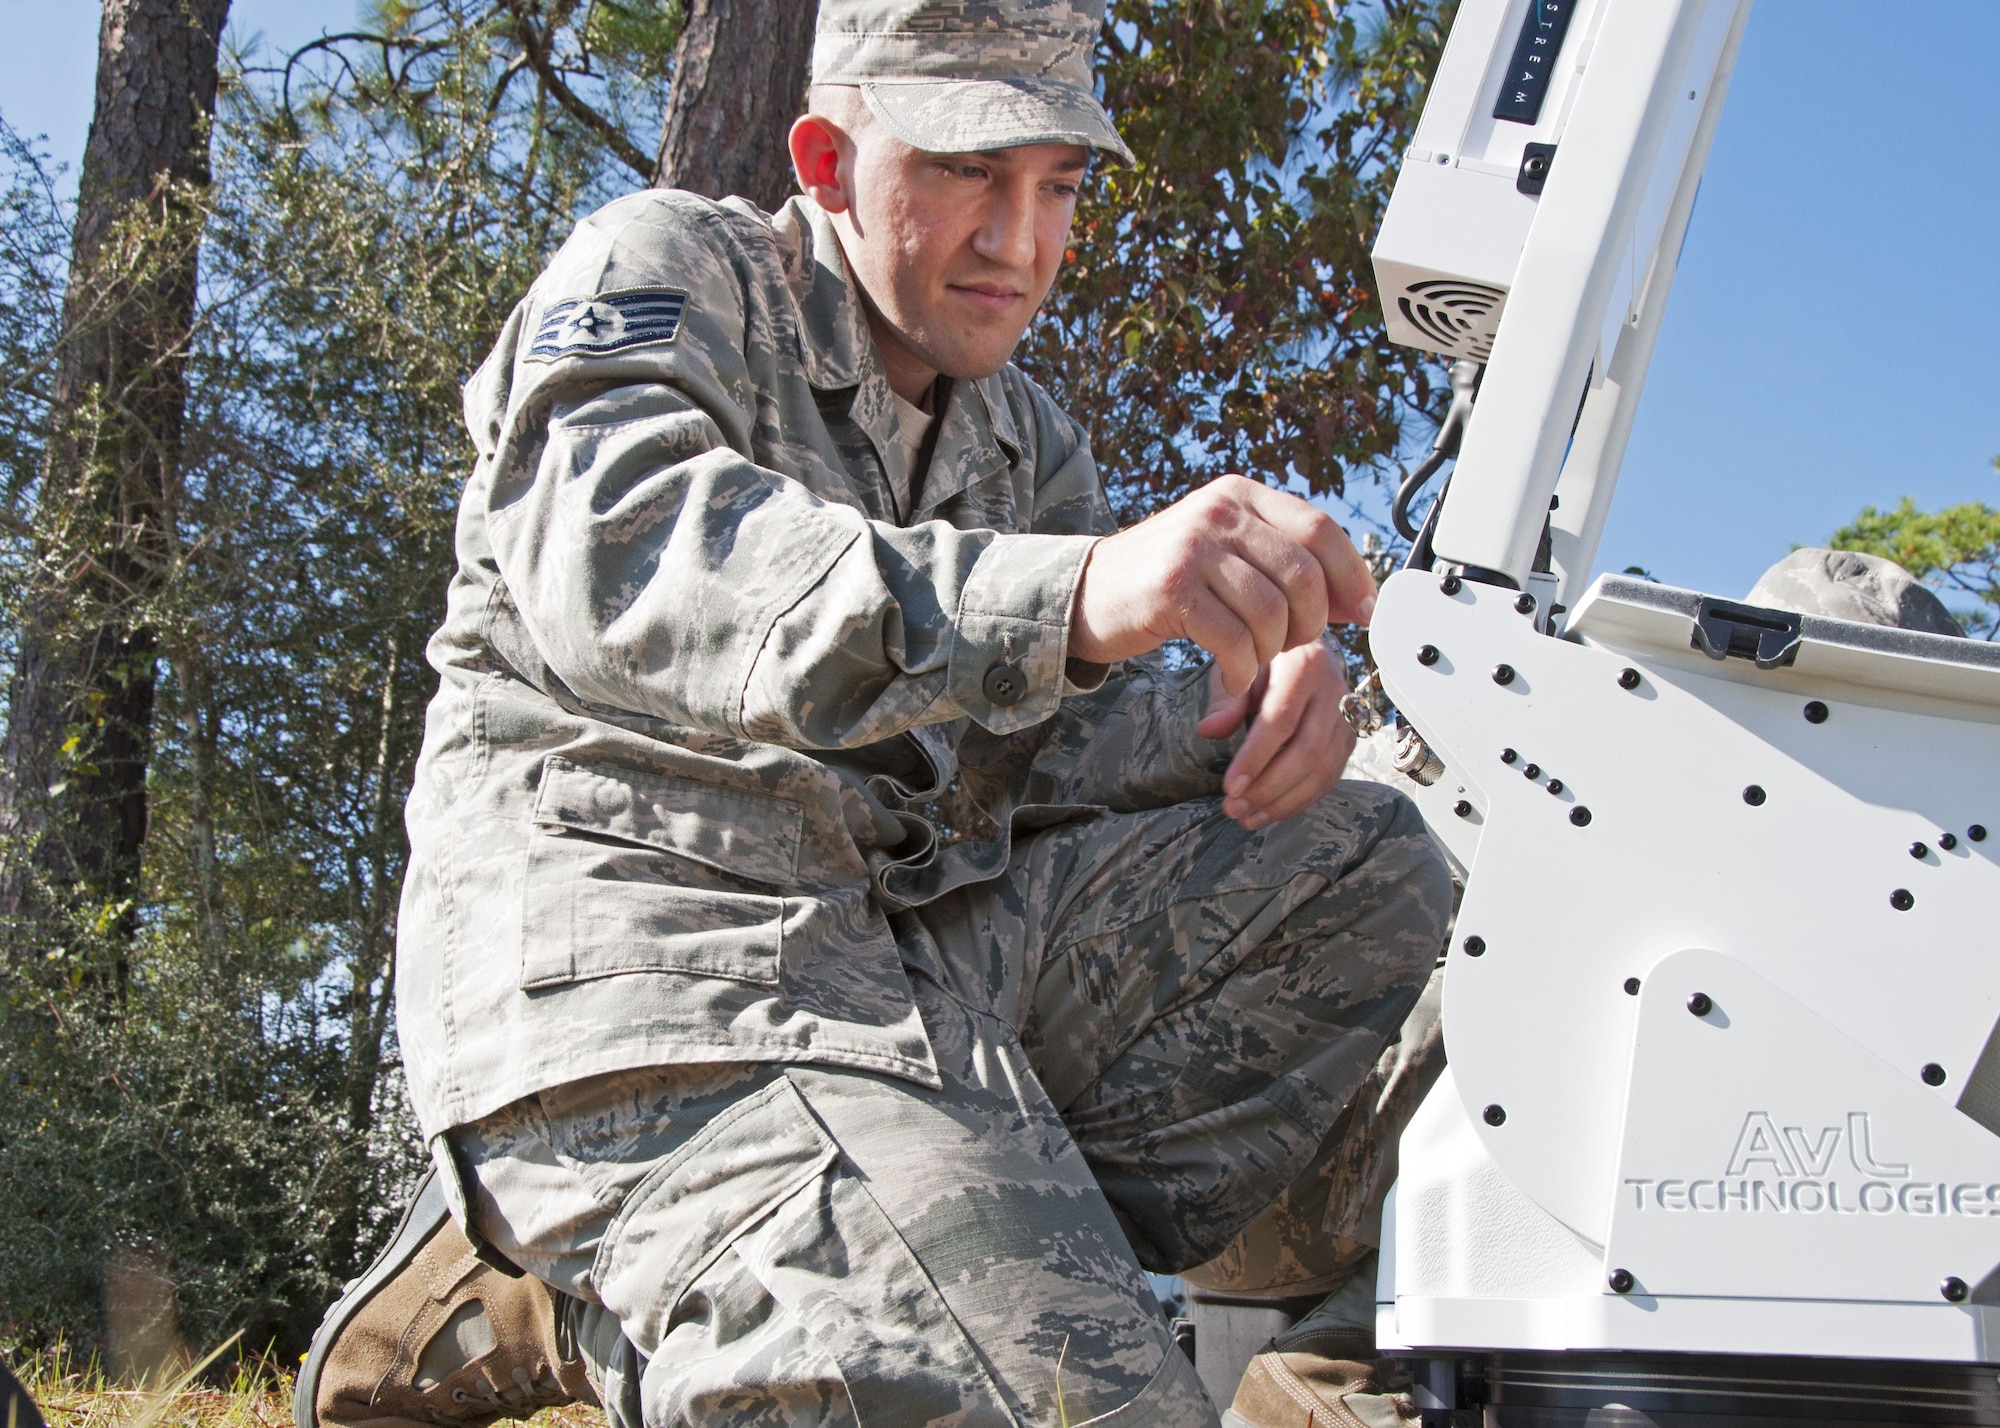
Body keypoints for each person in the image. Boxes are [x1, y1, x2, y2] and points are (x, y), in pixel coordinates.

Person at [294, 3, 1452, 1425]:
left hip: (903, 979)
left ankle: (906, 1225)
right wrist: (1078, 593)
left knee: (1376, 868)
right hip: (666, 976)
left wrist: (1246, 694)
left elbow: (1048, 757)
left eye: (1059, 185)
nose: (1019, 242)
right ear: (828, 161)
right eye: (969, 169)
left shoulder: (1023, 442)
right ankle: (648, 1238)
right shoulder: (669, 267)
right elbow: (640, 554)